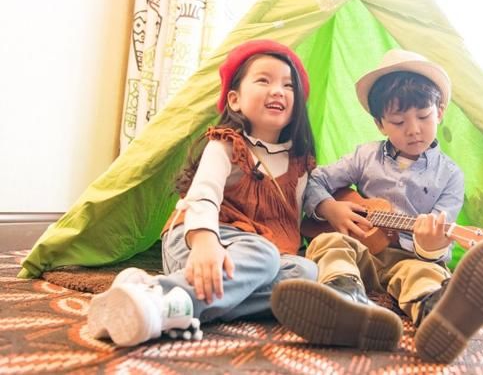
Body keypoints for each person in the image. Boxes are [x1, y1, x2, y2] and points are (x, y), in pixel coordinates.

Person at [270, 48, 483, 363]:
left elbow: (436, 248)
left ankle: (437, 315)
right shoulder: (364, 156)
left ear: (440, 112)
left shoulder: (450, 176)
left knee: (423, 273)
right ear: (380, 124)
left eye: (424, 117)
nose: (413, 129)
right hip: (361, 254)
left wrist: (429, 246)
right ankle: (345, 300)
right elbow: (313, 180)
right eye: (399, 121)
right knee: (327, 241)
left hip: (409, 257)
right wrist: (330, 209)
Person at [87, 39, 319, 347]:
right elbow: (203, 195)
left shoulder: (300, 163)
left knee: (304, 273)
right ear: (234, 100)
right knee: (264, 254)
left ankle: (155, 294)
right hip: (198, 241)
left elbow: (310, 206)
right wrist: (205, 240)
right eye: (264, 80)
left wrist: (332, 208)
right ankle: (161, 301)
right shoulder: (226, 144)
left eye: (289, 86)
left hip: (249, 263)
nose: (278, 90)